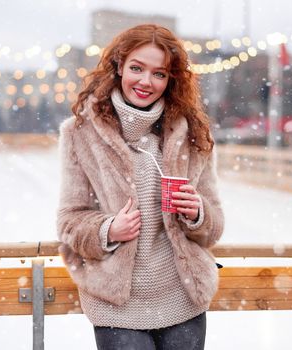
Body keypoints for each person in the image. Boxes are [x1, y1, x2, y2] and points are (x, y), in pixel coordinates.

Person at [57, 24, 224, 350]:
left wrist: (198, 214)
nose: (146, 82)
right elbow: (69, 222)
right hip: (117, 304)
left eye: (159, 73)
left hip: (182, 298)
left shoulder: (193, 135)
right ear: (119, 67)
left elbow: (213, 227)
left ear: (171, 80)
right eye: (136, 68)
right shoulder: (79, 134)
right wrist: (107, 230)